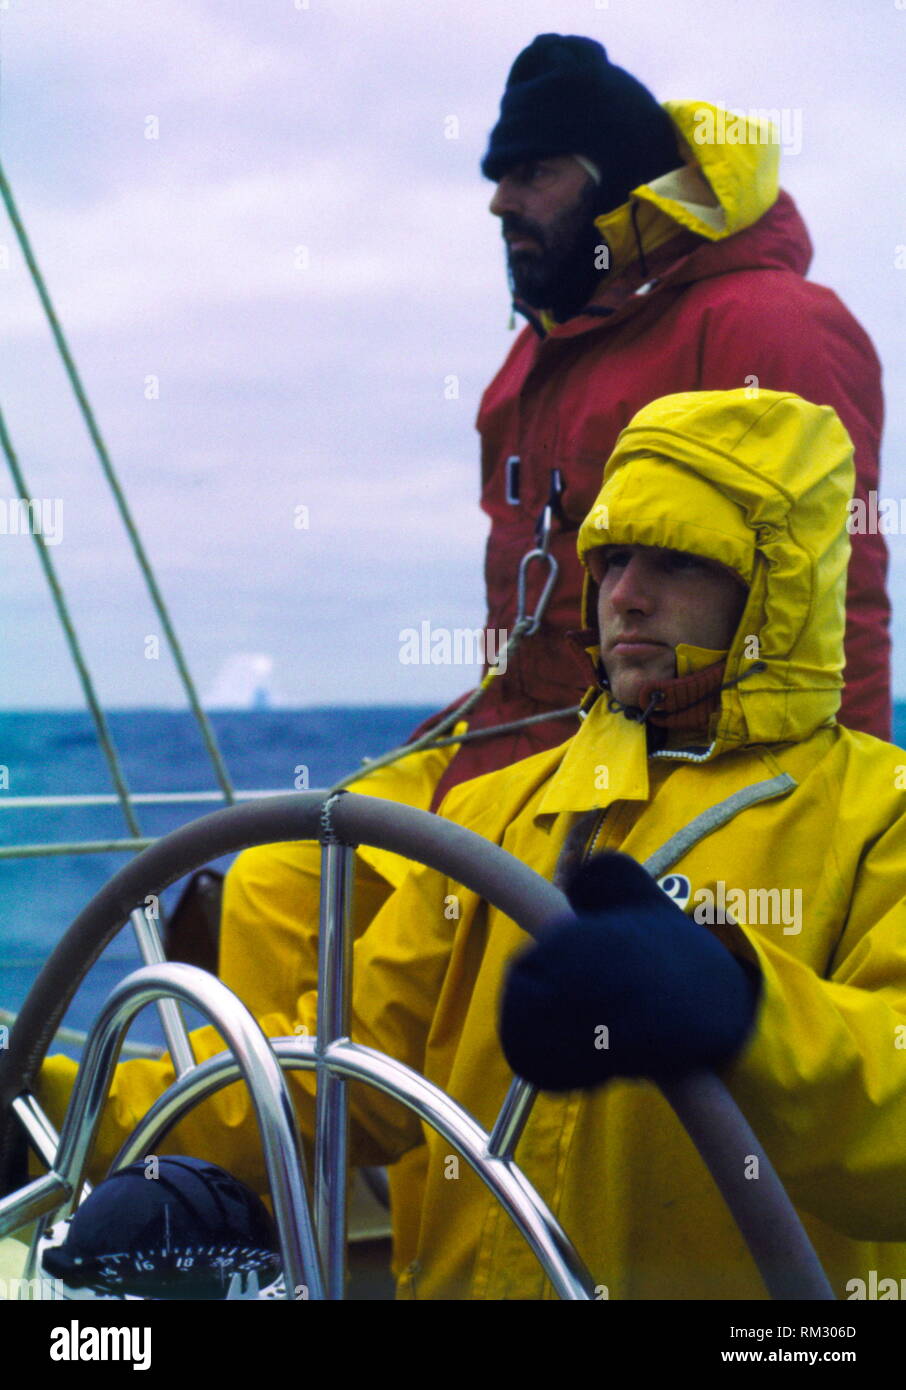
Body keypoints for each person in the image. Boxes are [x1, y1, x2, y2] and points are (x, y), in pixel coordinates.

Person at [213, 32, 893, 1268]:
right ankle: (232, 1189)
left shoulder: (769, 323)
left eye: (529, 171)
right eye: (495, 172)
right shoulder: (538, 352)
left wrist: (801, 795)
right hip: (537, 742)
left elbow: (825, 586)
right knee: (273, 873)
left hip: (715, 743)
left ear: (611, 183)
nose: (499, 200)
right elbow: (531, 608)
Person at [34, 388, 906, 1299]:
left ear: (776, 582)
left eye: (677, 561)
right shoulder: (494, 816)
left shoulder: (881, 818)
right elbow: (335, 1080)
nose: (627, 596)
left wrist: (748, 1013)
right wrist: (63, 1115)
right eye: (611, 562)